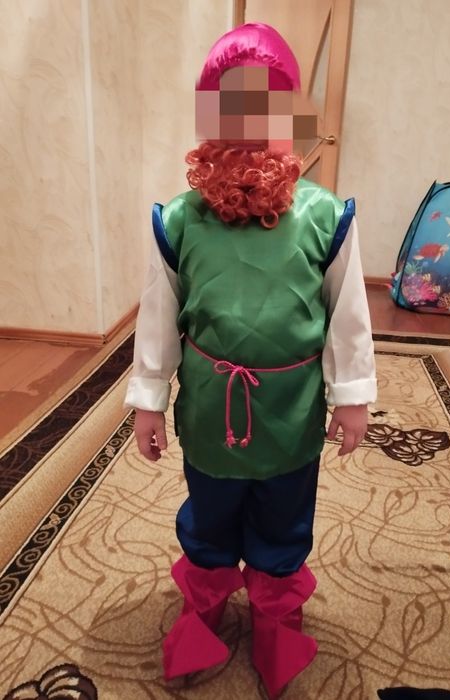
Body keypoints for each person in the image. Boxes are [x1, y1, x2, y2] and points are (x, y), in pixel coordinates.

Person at [125, 22, 377, 699]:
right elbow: (158, 316)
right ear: (209, 116)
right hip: (212, 410)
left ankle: (276, 624)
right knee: (209, 516)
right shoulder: (179, 220)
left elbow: (347, 312)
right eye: (230, 104)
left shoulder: (325, 216)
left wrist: (352, 393)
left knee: (282, 519)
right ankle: (203, 613)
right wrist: (149, 399)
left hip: (290, 412)